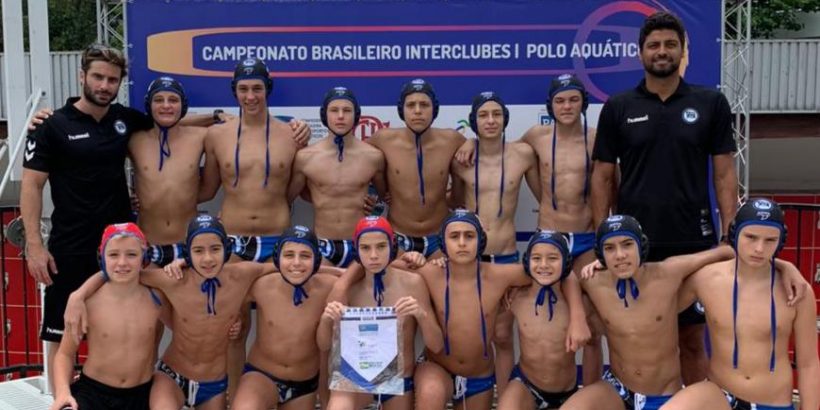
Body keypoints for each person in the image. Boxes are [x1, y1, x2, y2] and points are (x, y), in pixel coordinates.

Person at [590, 11, 739, 384]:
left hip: (694, 241)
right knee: (636, 340)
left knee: (691, 340)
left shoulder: (711, 103)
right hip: (633, 245)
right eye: (654, 45)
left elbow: (724, 173)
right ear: (640, 52)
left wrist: (729, 233)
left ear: (683, 51)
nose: (662, 51)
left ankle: (696, 405)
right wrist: (602, 240)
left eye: (670, 44)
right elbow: (602, 177)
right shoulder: (619, 106)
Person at [560, 215, 804, 410]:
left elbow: (729, 252)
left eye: (627, 245)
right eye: (610, 248)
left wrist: (785, 267)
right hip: (618, 388)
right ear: (600, 253)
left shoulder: (669, 272)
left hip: (665, 393)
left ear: (641, 245)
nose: (620, 255)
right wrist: (577, 318)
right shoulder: (593, 281)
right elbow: (562, 276)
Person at [20, 44, 154, 391]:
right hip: (70, 245)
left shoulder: (124, 119)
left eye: (112, 80)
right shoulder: (51, 125)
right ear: (82, 76)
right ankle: (60, 398)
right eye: (98, 77)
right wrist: (34, 246)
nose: (104, 85)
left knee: (116, 326)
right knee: (60, 330)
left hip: (118, 250)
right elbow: (32, 185)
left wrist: (219, 118)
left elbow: (170, 120)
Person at [198, 57, 305, 398]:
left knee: (282, 323)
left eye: (257, 88)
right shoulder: (216, 136)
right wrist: (151, 196)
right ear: (234, 92)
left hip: (278, 241)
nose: (250, 96)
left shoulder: (292, 134)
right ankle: (233, 396)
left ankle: (277, 394)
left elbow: (300, 188)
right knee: (235, 325)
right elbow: (206, 190)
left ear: (267, 89)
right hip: (233, 243)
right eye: (243, 89)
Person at [411, 210, 589, 410]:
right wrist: (413, 257)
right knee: (431, 392)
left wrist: (578, 317)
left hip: (478, 375)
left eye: (469, 236)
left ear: (481, 240)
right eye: (454, 236)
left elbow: (562, 272)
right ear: (443, 242)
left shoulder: (500, 275)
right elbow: (393, 266)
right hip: (438, 366)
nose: (462, 243)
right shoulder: (431, 271)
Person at [663, 199, 818, 410]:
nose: (759, 248)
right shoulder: (706, 280)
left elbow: (808, 364)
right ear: (735, 234)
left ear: (781, 241)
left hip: (772, 403)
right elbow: (656, 307)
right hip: (721, 397)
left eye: (770, 240)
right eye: (751, 237)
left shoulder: (797, 291)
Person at [449, 91, 540, 393]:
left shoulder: (523, 154)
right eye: (483, 115)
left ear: (505, 119)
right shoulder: (461, 160)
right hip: (471, 259)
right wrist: (467, 143)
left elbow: (545, 199)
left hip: (506, 256)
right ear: (473, 121)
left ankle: (503, 399)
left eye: (496, 114)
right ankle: (473, 396)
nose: (490, 121)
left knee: (502, 335)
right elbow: (455, 204)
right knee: (472, 335)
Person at [319, 216, 443, 410]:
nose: (374, 255)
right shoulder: (349, 290)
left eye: (381, 247)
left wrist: (421, 315)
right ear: (357, 250)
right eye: (365, 248)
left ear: (392, 246)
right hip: (357, 382)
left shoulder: (413, 283)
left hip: (398, 382)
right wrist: (327, 319)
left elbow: (436, 346)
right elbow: (323, 344)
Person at [50, 223, 161, 410]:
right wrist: (62, 392)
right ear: (102, 257)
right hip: (93, 393)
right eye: (113, 255)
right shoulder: (87, 303)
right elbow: (65, 354)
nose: (122, 262)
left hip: (141, 394)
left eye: (131, 254)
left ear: (144, 256)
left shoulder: (157, 299)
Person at [231, 226, 343, 410]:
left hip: (304, 385)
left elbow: (368, 274)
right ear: (277, 257)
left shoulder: (329, 287)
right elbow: (225, 286)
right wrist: (237, 318)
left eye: (305, 256)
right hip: (261, 376)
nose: (296, 263)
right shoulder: (261, 285)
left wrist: (343, 275)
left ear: (316, 260)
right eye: (289, 255)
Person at [288, 87, 387, 268]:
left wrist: (375, 206)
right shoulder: (305, 157)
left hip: (362, 244)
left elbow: (387, 197)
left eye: (347, 110)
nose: (340, 116)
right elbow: (285, 200)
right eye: (334, 110)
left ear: (356, 115)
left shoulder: (373, 157)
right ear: (324, 114)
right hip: (323, 245)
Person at [367, 79, 466, 257]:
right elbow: (353, 157)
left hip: (439, 237)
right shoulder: (383, 139)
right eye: (411, 105)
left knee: (440, 277)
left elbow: (483, 158)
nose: (418, 111)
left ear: (434, 109)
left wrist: (473, 143)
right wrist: (368, 196)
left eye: (424, 105)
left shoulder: (452, 140)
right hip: (398, 237)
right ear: (401, 110)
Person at [498, 231, 580, 410]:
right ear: (527, 261)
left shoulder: (578, 302)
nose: (544, 265)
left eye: (552, 258)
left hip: (567, 391)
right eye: (536, 258)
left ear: (566, 261)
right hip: (526, 385)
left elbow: (594, 345)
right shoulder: (515, 298)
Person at [129, 76, 206, 267]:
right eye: (158, 100)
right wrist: (124, 197)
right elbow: (101, 163)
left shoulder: (201, 137)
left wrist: (185, 197)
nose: (166, 106)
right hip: (148, 244)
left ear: (183, 105)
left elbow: (240, 136)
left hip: (188, 243)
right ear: (149, 105)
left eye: (173, 100)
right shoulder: (134, 140)